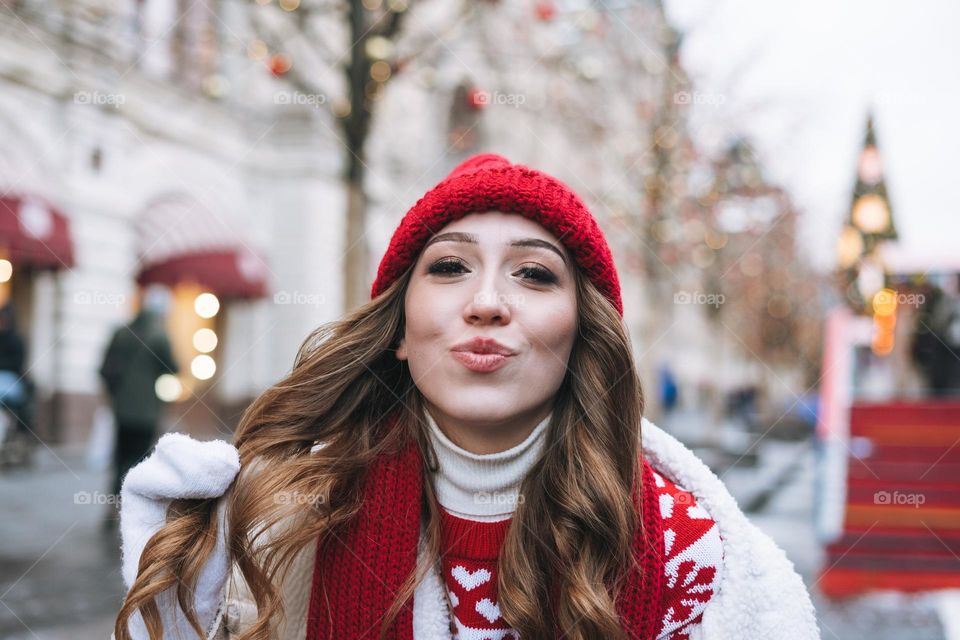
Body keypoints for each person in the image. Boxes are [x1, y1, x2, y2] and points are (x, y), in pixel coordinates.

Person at [114, 155, 819, 640]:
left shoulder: (687, 550)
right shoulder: (288, 516)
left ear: (582, 331)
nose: (487, 303)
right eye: (450, 267)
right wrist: (180, 601)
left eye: (534, 276)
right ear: (399, 329)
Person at [99, 286, 179, 504]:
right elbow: (174, 368)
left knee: (120, 456)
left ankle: (114, 500)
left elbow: (103, 368)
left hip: (121, 408)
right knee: (140, 458)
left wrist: (116, 394)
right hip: (147, 411)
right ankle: (132, 503)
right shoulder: (159, 336)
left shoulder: (122, 332)